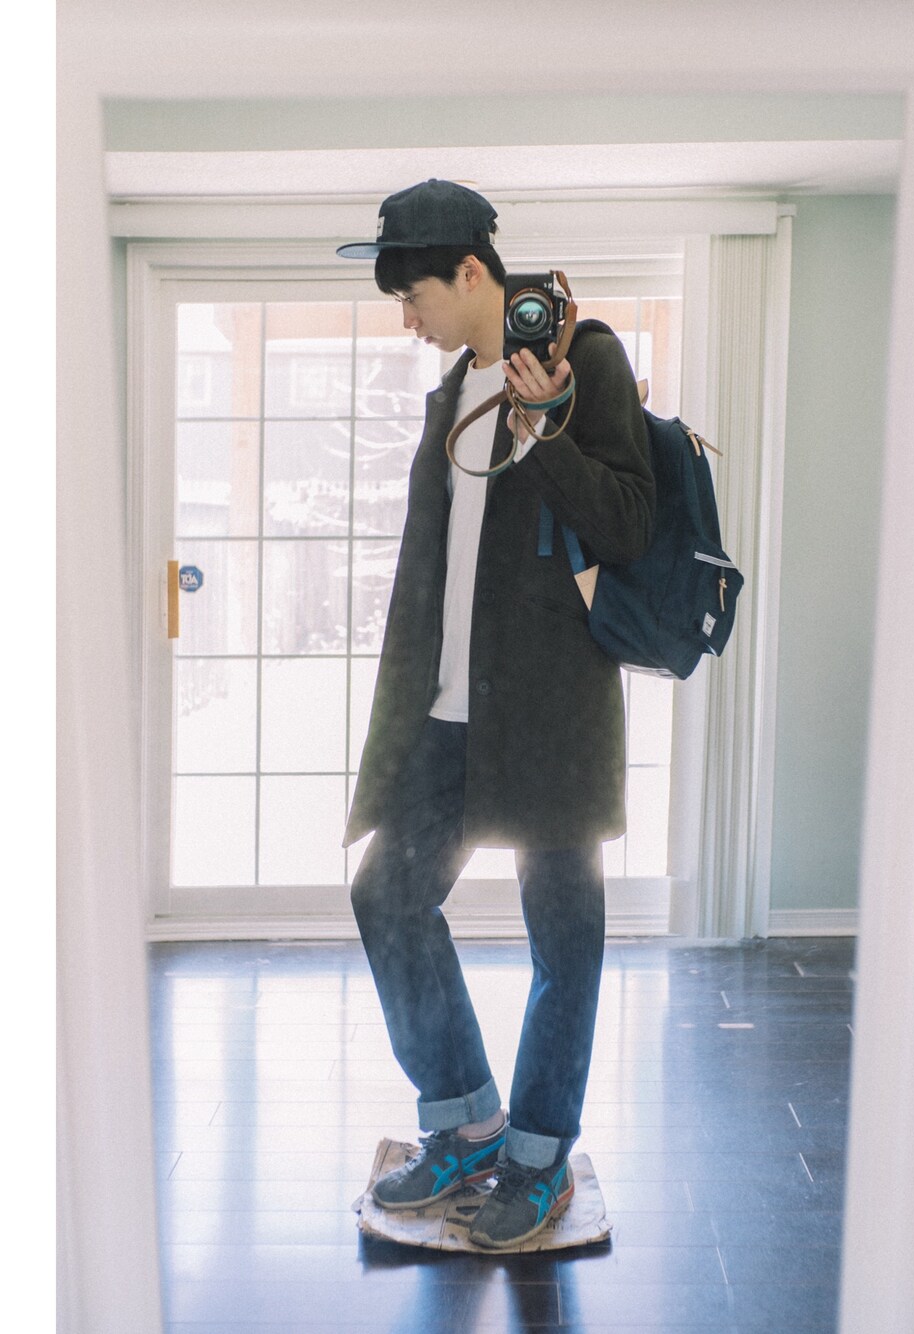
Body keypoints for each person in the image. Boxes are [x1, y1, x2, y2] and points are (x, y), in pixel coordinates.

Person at [336, 179, 653, 1249]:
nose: (408, 318)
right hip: (445, 715)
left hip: (552, 714)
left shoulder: (581, 357)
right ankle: (469, 1121)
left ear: (472, 272)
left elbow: (628, 522)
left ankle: (539, 1154)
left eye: (414, 294)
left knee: (563, 941)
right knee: (388, 894)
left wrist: (548, 425)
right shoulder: (446, 399)